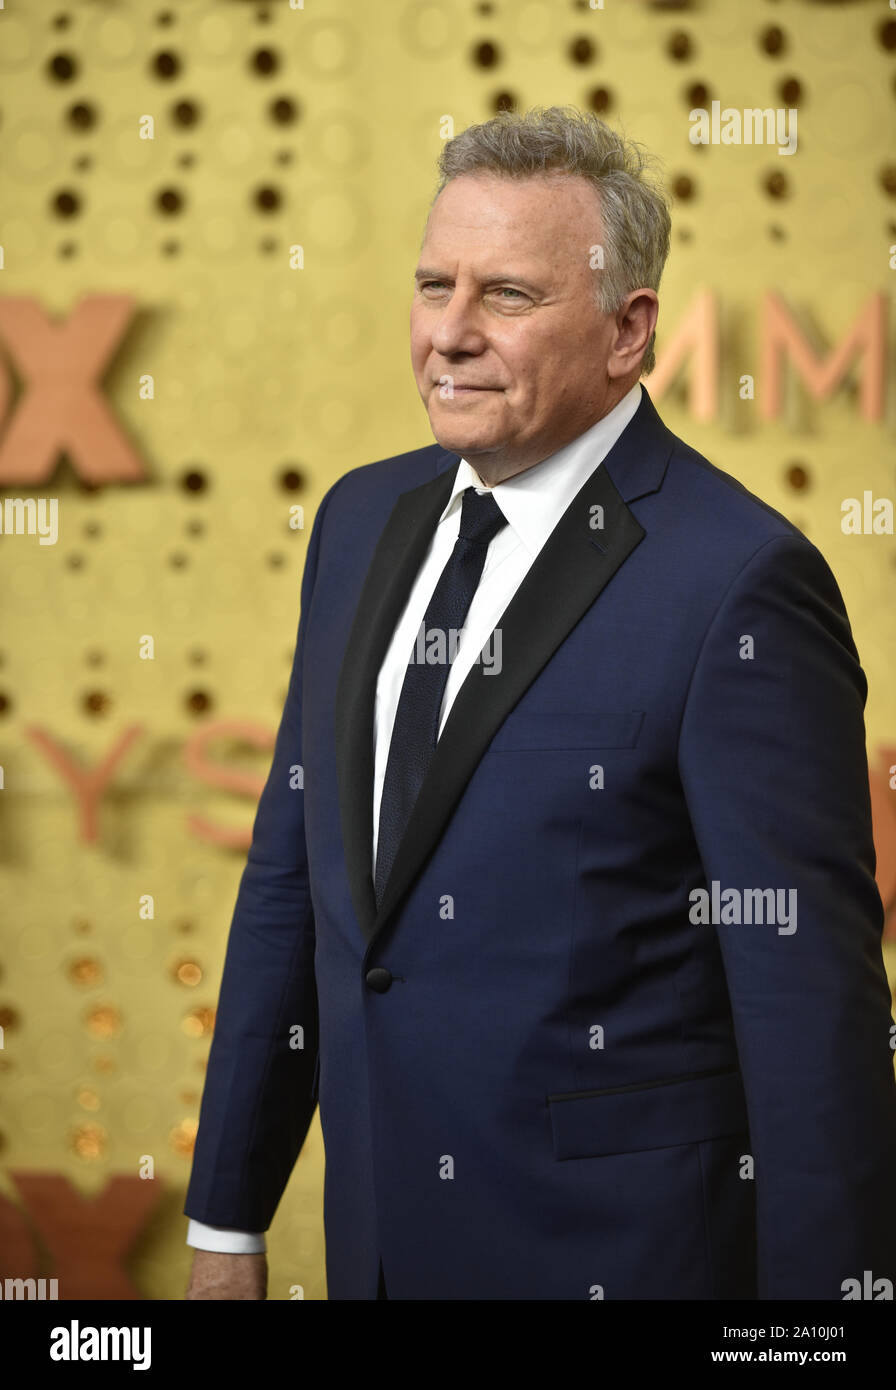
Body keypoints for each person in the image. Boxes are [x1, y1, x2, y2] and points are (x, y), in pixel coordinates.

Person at [184, 105, 896, 1300]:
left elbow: (808, 1010)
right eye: (430, 286)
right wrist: (226, 1222)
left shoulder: (737, 581)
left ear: (628, 332)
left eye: (505, 296)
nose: (447, 335)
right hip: (367, 1253)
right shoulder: (359, 523)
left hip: (618, 1261)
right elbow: (290, 887)